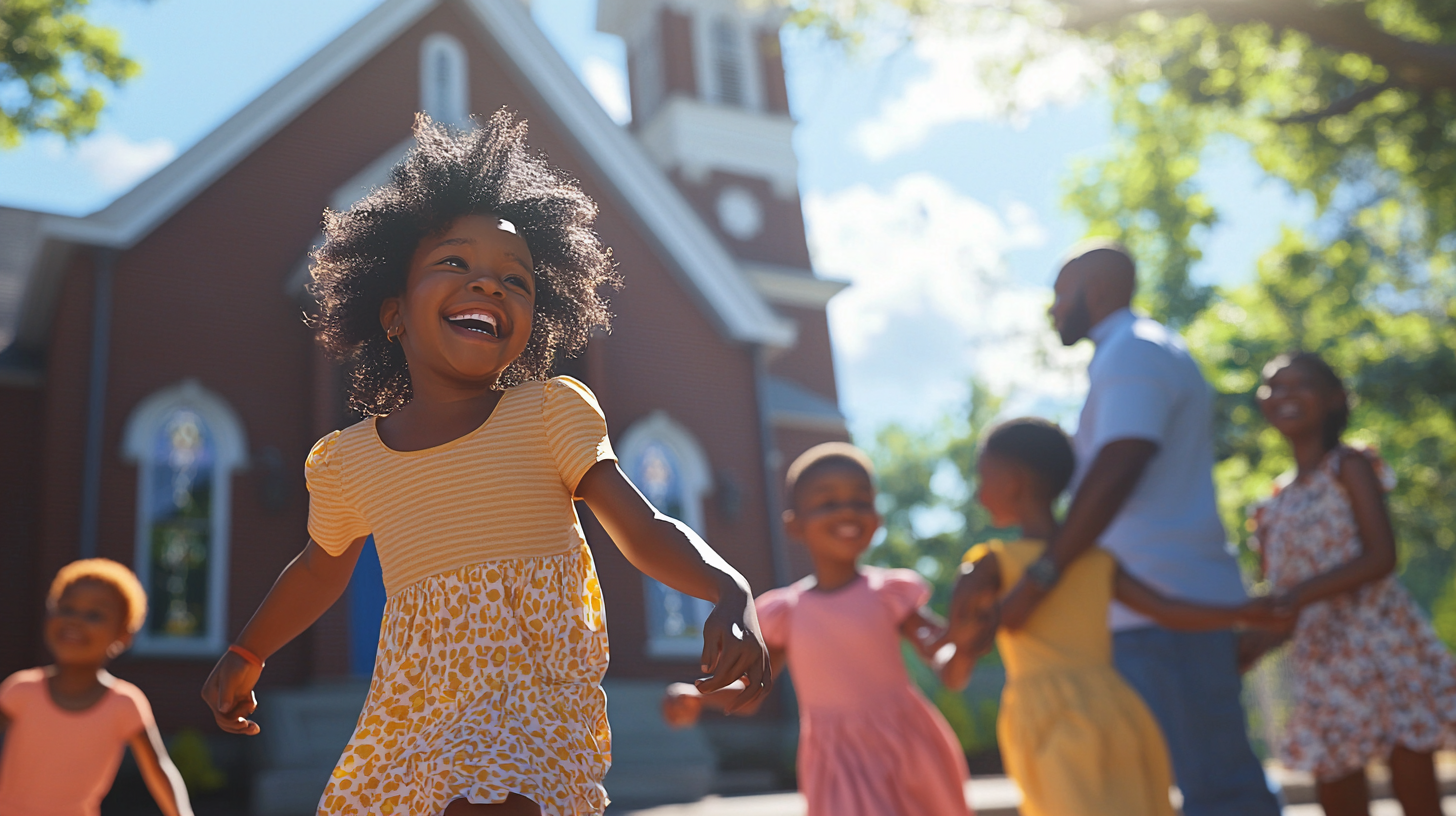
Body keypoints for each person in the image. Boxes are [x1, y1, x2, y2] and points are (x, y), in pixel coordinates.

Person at [199, 111, 771, 816]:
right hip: (410, 711)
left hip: (529, 701)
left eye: (517, 279)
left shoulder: (547, 414)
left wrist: (729, 590)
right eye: (453, 264)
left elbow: (644, 526)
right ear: (392, 314)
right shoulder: (348, 460)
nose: (490, 284)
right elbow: (319, 569)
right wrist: (248, 651)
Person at [994, 241, 1279, 816]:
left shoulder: (1135, 352)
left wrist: (1048, 570)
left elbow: (1120, 462)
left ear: (1093, 290)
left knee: (1218, 787)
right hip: (1153, 609)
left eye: (1059, 294)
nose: (1052, 310)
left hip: (1167, 604)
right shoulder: (1128, 354)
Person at [940, 419, 1285, 816]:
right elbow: (1166, 610)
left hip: (1048, 716)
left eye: (984, 478)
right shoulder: (1095, 561)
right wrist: (1240, 611)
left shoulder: (991, 564)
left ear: (1013, 482)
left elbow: (960, 659)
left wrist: (950, 644)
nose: (979, 493)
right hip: (1116, 710)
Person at [661, 442, 972, 816]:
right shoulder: (786, 612)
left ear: (877, 517)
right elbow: (751, 691)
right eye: (828, 502)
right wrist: (701, 695)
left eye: (861, 500)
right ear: (794, 524)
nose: (847, 510)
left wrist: (963, 645)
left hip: (907, 746)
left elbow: (941, 653)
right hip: (838, 761)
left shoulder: (891, 592)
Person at [1244, 352, 1456, 816]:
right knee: (1338, 794)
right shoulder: (1271, 508)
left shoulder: (1349, 466)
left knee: (1415, 788)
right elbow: (1285, 611)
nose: (1283, 395)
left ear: (1333, 398)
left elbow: (1381, 557)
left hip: (1384, 647)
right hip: (1323, 664)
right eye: (1272, 387)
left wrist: (1295, 595)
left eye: (1299, 384)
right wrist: (1237, 655)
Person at [0, 559, 193, 816]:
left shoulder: (125, 704)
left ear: (124, 634)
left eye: (94, 614)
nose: (75, 621)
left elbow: (159, 767)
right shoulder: (20, 690)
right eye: (66, 609)